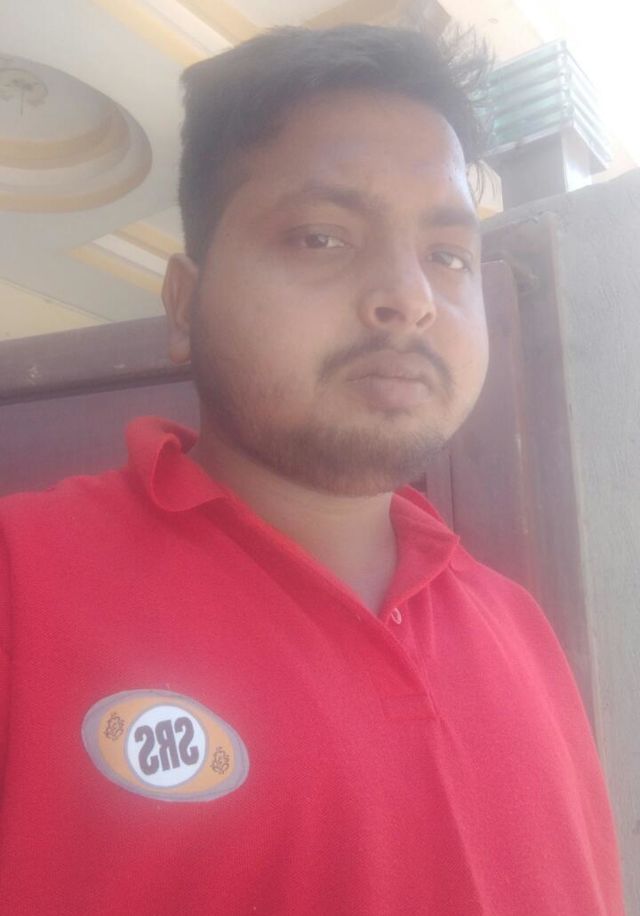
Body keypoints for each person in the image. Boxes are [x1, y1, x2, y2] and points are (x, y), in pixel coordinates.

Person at [0, 23, 625, 916]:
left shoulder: (519, 625)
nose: (409, 297)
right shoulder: (22, 584)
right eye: (322, 238)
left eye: (449, 255)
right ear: (184, 305)